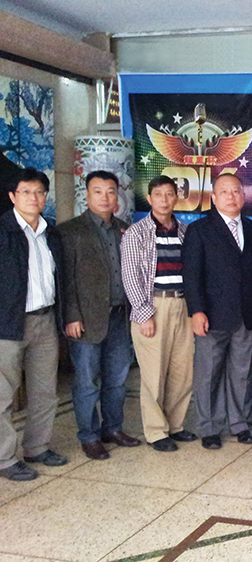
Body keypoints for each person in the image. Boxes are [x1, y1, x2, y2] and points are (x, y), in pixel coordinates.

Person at [59, 170, 141, 460]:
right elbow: (66, 278)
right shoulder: (70, 231)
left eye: (110, 191)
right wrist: (71, 315)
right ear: (86, 194)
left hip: (120, 317)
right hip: (85, 319)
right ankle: (89, 436)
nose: (105, 197)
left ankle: (113, 428)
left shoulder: (125, 229)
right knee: (86, 381)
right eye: (98, 191)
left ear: (117, 195)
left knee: (117, 379)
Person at [183, 174, 252, 450]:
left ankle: (240, 424)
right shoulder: (200, 230)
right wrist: (197, 311)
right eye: (224, 192)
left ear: (243, 196)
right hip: (211, 315)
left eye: (236, 191)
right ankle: (210, 427)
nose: (231, 196)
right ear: (213, 198)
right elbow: (191, 275)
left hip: (246, 314)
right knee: (209, 374)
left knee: (242, 372)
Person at [120, 175, 196, 453]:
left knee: (182, 371)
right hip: (153, 306)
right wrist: (143, 313)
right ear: (149, 198)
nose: (164, 199)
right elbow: (130, 276)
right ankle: (155, 431)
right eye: (158, 194)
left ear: (177, 197)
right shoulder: (136, 233)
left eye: (169, 194)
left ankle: (175, 425)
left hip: (183, 305)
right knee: (153, 374)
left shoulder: (185, 232)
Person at [0, 168, 67, 481]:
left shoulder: (51, 233)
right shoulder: (3, 231)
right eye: (25, 192)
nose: (33, 197)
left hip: (45, 320)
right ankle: (4, 459)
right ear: (13, 196)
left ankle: (37, 447)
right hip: (8, 325)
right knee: (3, 394)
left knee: (44, 391)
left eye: (39, 192)